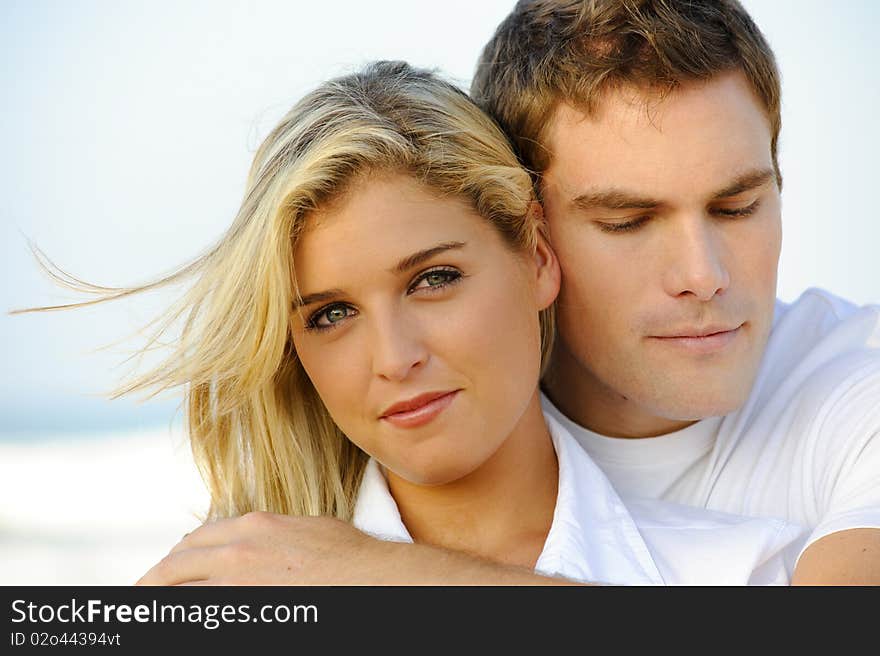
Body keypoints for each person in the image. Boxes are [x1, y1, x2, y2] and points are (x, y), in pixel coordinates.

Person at [131, 0, 880, 586]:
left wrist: (367, 578)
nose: (704, 274)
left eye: (737, 206)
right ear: (540, 241)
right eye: (626, 220)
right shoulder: (241, 575)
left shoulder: (835, 418)